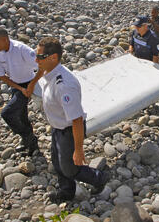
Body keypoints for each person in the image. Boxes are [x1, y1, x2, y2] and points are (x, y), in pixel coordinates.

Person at [36, 37, 109, 203]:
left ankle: (99, 178)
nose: (36, 60)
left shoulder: (65, 85)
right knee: (57, 162)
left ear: (53, 58)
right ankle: (66, 191)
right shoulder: (49, 71)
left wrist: (79, 150)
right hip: (57, 127)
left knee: (70, 168)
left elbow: (76, 120)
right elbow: (40, 71)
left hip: (69, 130)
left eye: (39, 57)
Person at [0, 28, 40, 156]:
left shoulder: (21, 49)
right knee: (21, 115)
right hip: (16, 85)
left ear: (5, 40)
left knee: (7, 113)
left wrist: (31, 86)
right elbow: (1, 75)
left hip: (29, 83)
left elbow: (41, 67)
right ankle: (30, 141)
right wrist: (19, 88)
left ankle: (29, 138)